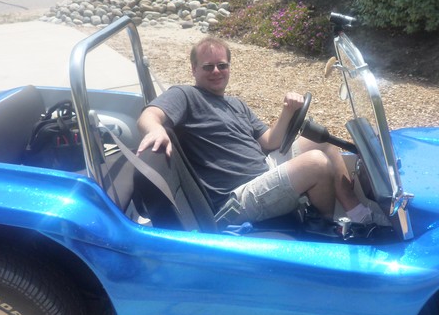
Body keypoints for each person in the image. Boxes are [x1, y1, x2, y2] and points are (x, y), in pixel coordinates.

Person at [136, 36, 373, 225]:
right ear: (194, 70)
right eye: (208, 67)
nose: (216, 71)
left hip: (263, 169)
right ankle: (325, 228)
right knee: (316, 163)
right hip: (236, 198)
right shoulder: (186, 95)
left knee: (322, 141)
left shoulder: (236, 103)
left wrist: (287, 111)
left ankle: (357, 213)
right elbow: (149, 114)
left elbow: (269, 140)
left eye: (222, 65)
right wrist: (156, 129)